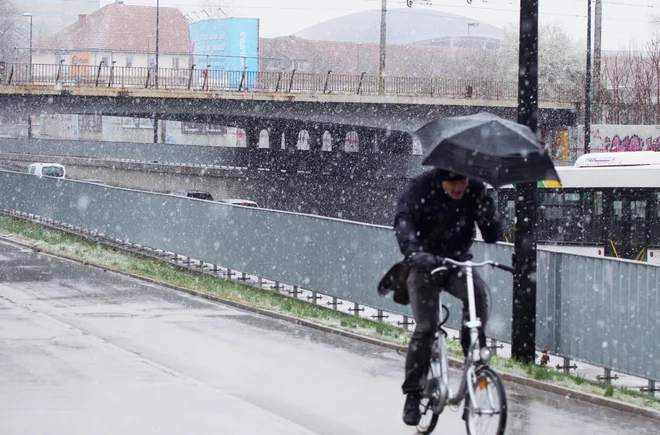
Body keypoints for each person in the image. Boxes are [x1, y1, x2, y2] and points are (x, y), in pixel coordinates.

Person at [393, 168, 502, 426]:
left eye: (462, 181)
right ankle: (412, 393)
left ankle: (472, 346)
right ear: (440, 180)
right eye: (452, 184)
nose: (458, 189)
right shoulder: (421, 187)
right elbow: (403, 220)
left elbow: (492, 235)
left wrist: (488, 214)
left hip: (457, 262)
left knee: (477, 294)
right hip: (424, 264)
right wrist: (413, 252)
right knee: (427, 326)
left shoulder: (475, 190)